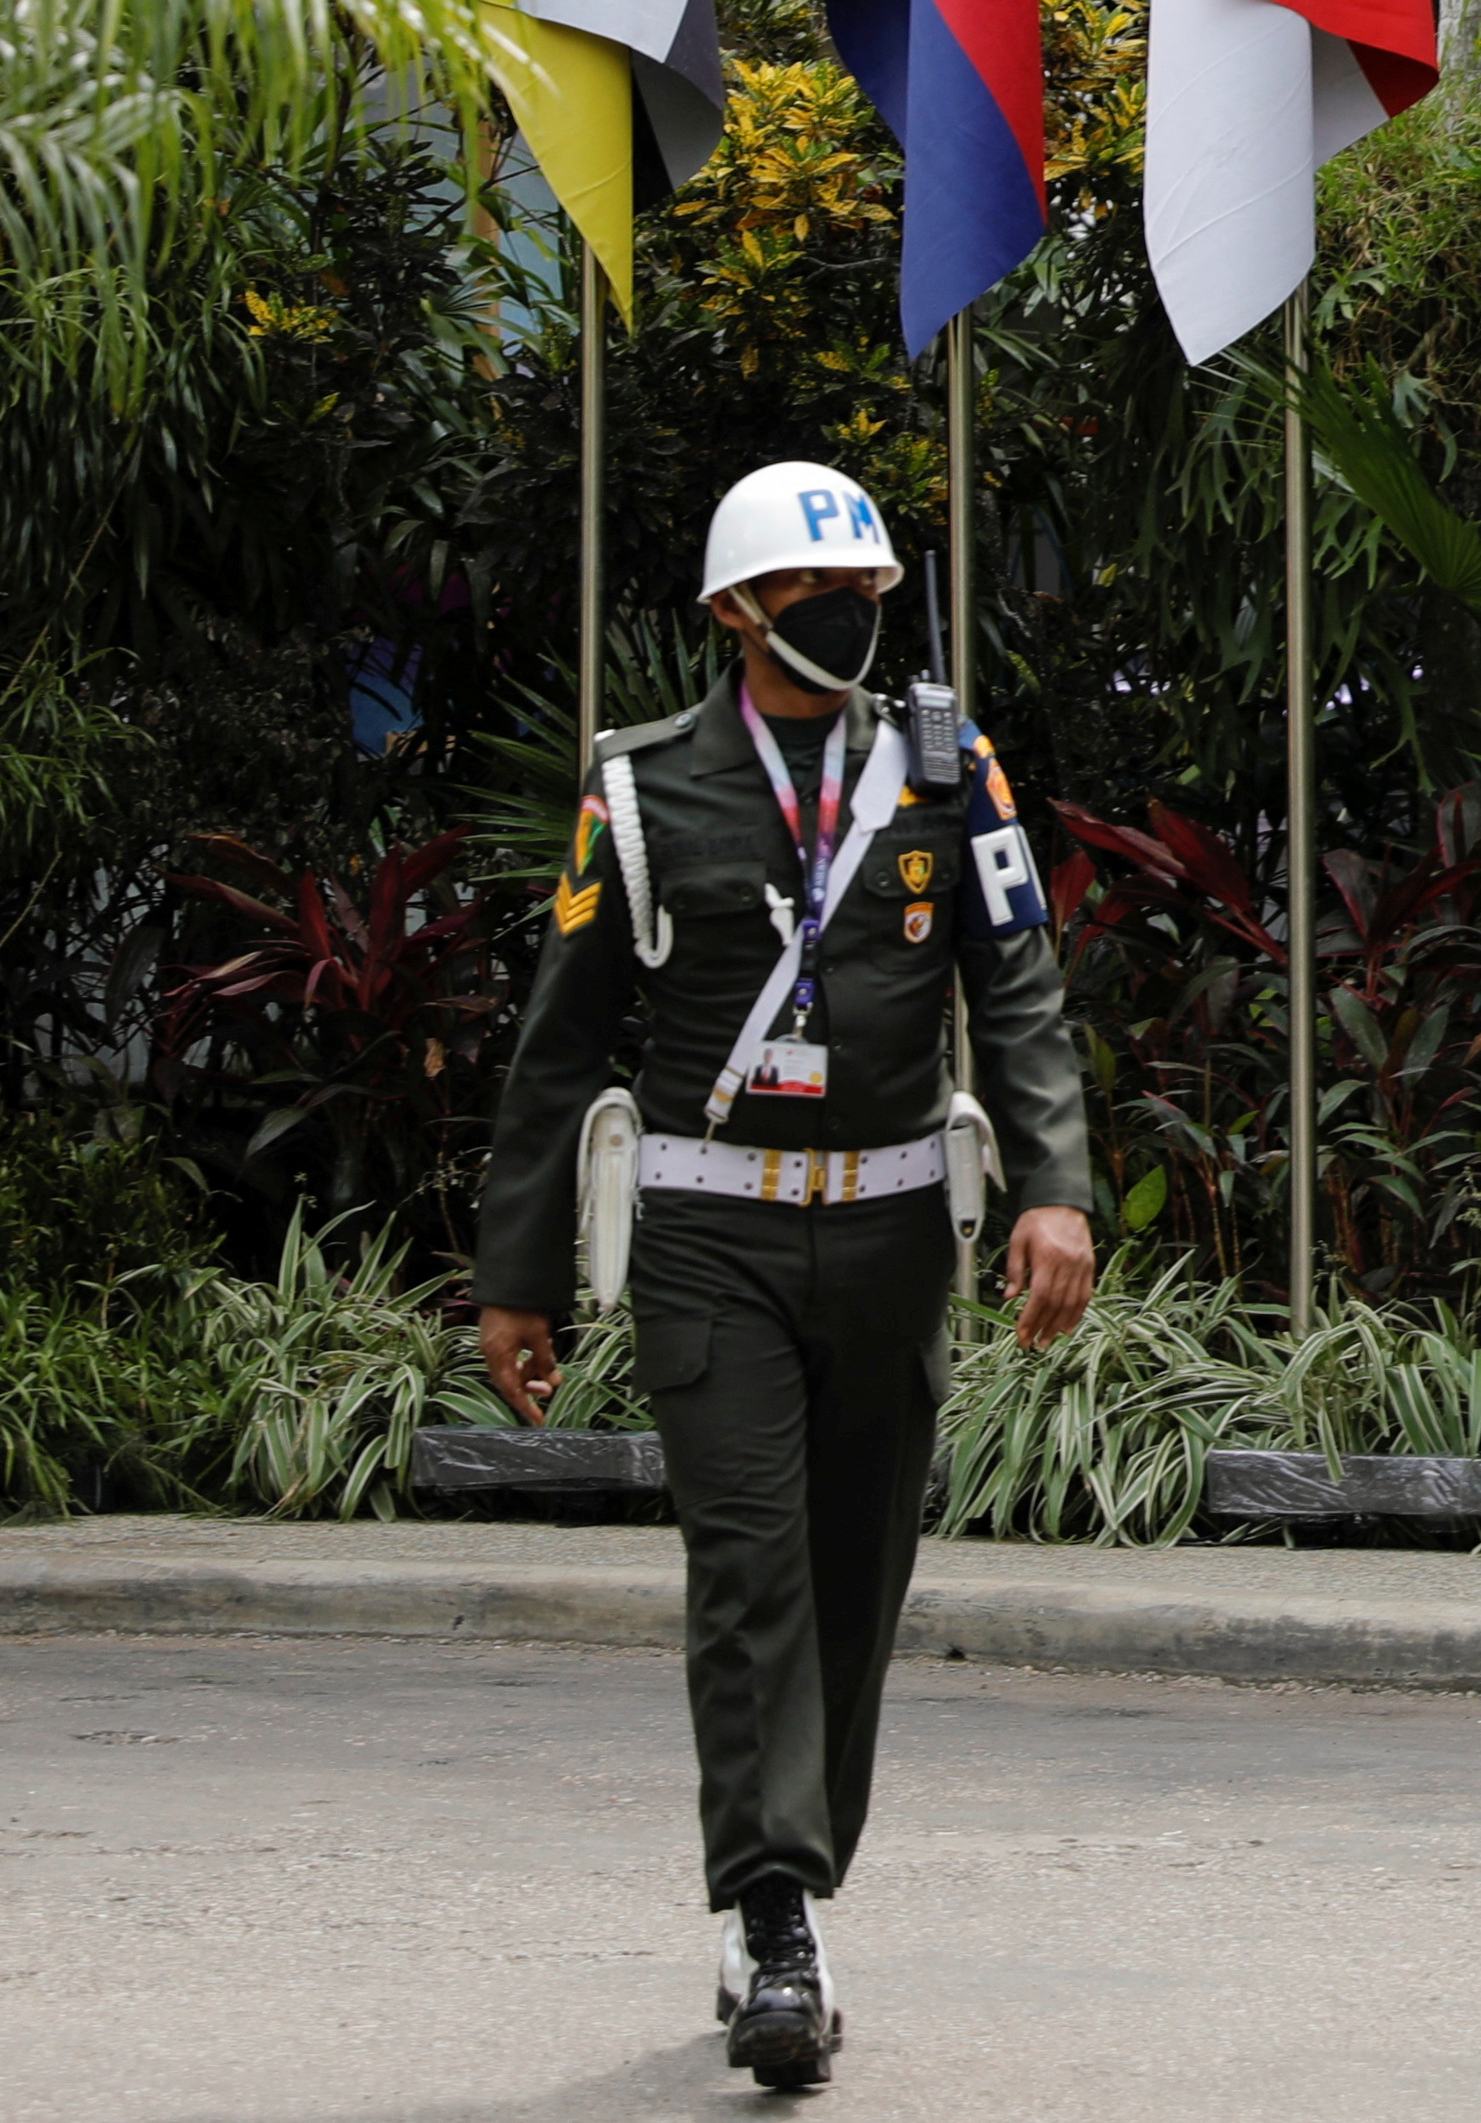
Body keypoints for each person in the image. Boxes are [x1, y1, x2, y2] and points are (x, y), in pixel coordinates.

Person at [477, 460, 1098, 2096]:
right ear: (735, 615)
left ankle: (796, 1880)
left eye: (874, 595)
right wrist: (517, 1272)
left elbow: (1018, 989)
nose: (852, 617)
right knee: (750, 1579)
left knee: (850, 1585)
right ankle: (774, 1926)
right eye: (821, 596)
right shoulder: (644, 792)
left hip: (895, 1234)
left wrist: (1055, 1191)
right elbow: (558, 1051)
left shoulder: (948, 774)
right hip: (712, 1238)